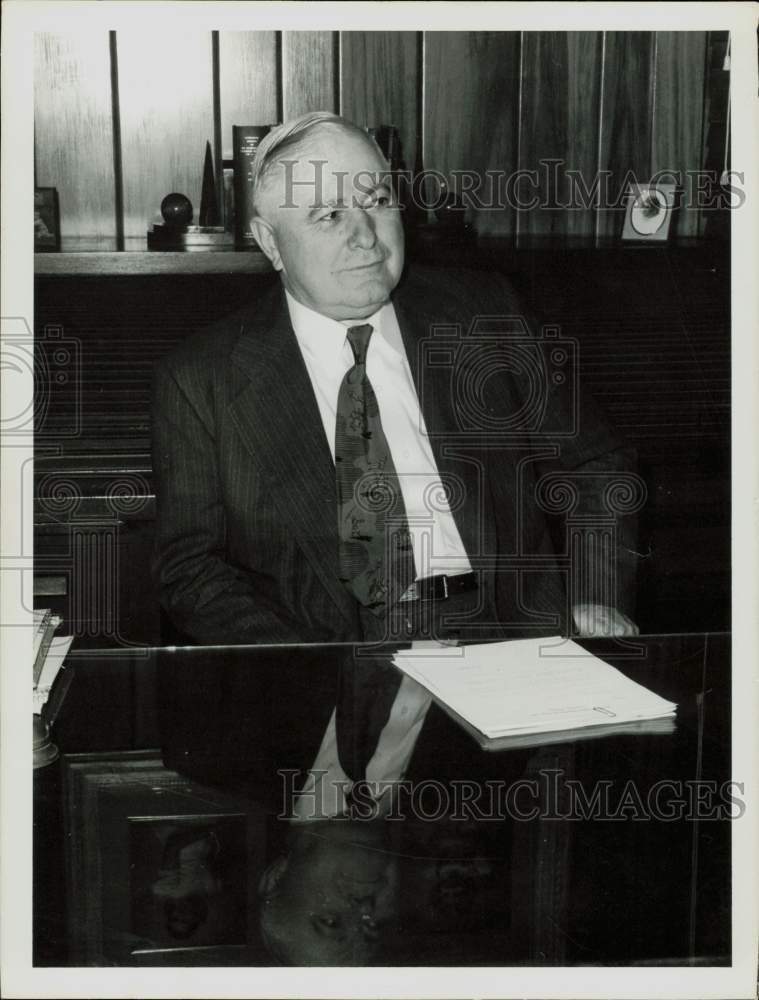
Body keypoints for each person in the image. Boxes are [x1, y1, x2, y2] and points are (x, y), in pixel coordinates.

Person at [151, 110, 640, 650]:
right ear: (270, 242)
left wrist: (597, 594)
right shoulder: (202, 378)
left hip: (508, 635)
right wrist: (306, 666)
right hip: (327, 651)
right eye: (329, 214)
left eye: (378, 202)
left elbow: (594, 464)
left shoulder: (482, 313)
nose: (366, 237)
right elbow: (190, 570)